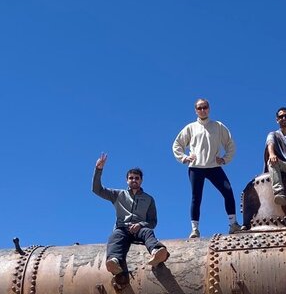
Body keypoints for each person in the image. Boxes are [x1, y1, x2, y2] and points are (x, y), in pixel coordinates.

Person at [172, 98, 241, 237]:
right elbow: (177, 144)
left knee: (228, 191)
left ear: (209, 108)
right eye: (199, 108)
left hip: (214, 167)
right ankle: (194, 229)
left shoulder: (218, 126)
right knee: (196, 197)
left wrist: (225, 159)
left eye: (205, 107)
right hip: (196, 167)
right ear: (195, 110)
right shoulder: (190, 128)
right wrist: (184, 158)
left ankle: (233, 224)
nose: (202, 110)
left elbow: (230, 144)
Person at [92, 153, 169, 278]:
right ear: (127, 180)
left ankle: (156, 252)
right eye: (131, 178)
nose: (134, 180)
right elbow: (97, 190)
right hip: (123, 228)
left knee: (148, 232)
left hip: (140, 230)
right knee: (114, 237)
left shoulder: (148, 199)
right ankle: (114, 262)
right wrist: (98, 170)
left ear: (141, 180)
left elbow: (153, 221)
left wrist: (140, 225)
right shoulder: (118, 194)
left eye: (137, 178)